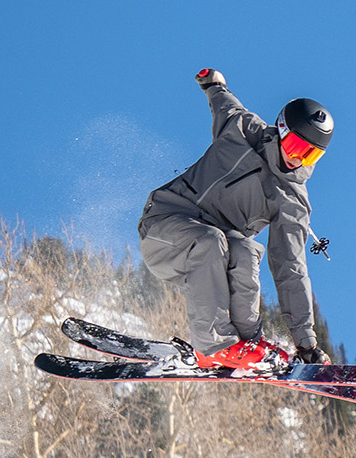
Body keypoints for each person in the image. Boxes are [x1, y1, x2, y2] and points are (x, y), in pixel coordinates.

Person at [137, 68, 334, 371]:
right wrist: (214, 83)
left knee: (246, 251)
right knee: (211, 240)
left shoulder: (292, 201)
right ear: (281, 129)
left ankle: (245, 342)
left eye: (311, 155)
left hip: (210, 259)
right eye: (297, 147)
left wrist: (306, 343)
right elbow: (225, 102)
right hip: (164, 227)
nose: (298, 160)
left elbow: (290, 269)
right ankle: (214, 345)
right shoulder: (242, 130)